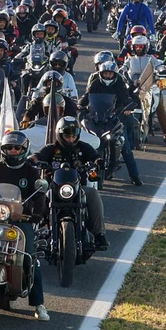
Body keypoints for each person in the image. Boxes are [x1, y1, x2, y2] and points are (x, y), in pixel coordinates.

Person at [0, 129, 50, 321]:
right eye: (9, 147)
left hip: (20, 220)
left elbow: (39, 196)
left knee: (30, 258)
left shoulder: (30, 172)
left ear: (23, 149)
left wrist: (37, 214)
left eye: (16, 148)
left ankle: (38, 304)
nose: (13, 151)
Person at [35, 116, 109, 251]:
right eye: (67, 135)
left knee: (93, 194)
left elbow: (94, 155)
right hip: (53, 189)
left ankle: (99, 234)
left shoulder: (83, 147)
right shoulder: (51, 149)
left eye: (74, 135)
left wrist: (98, 161)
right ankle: (34, 231)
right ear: (59, 134)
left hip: (77, 189)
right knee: (38, 196)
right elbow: (38, 156)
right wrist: (31, 160)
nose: (71, 138)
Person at [82, 52, 143, 186]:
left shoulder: (120, 83)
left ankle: (135, 176)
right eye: (105, 73)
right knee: (83, 143)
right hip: (98, 117)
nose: (108, 76)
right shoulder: (95, 83)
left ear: (114, 74)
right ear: (101, 73)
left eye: (110, 73)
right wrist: (80, 105)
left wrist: (127, 108)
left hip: (115, 117)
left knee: (125, 148)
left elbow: (126, 98)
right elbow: (87, 96)